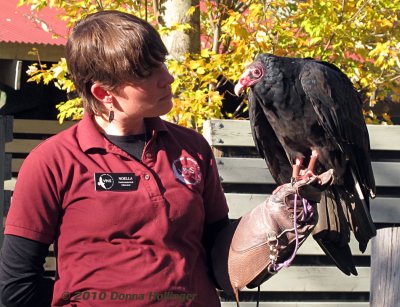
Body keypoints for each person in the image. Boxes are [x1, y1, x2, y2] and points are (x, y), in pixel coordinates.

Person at [0, 10, 331, 307]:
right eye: (147, 73)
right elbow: (16, 288)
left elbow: (216, 253)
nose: (167, 77)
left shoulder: (192, 148)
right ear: (104, 93)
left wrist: (269, 222)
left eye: (162, 63)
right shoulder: (53, 161)